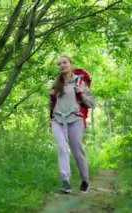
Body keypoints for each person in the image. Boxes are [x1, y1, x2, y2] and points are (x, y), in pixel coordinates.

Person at [49, 55, 93, 193]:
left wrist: (82, 94)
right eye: (59, 64)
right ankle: (65, 182)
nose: (62, 65)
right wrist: (51, 97)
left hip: (75, 120)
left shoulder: (80, 82)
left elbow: (92, 103)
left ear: (70, 65)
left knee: (77, 152)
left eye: (64, 62)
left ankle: (85, 180)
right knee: (62, 149)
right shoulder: (55, 84)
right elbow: (52, 105)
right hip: (58, 121)